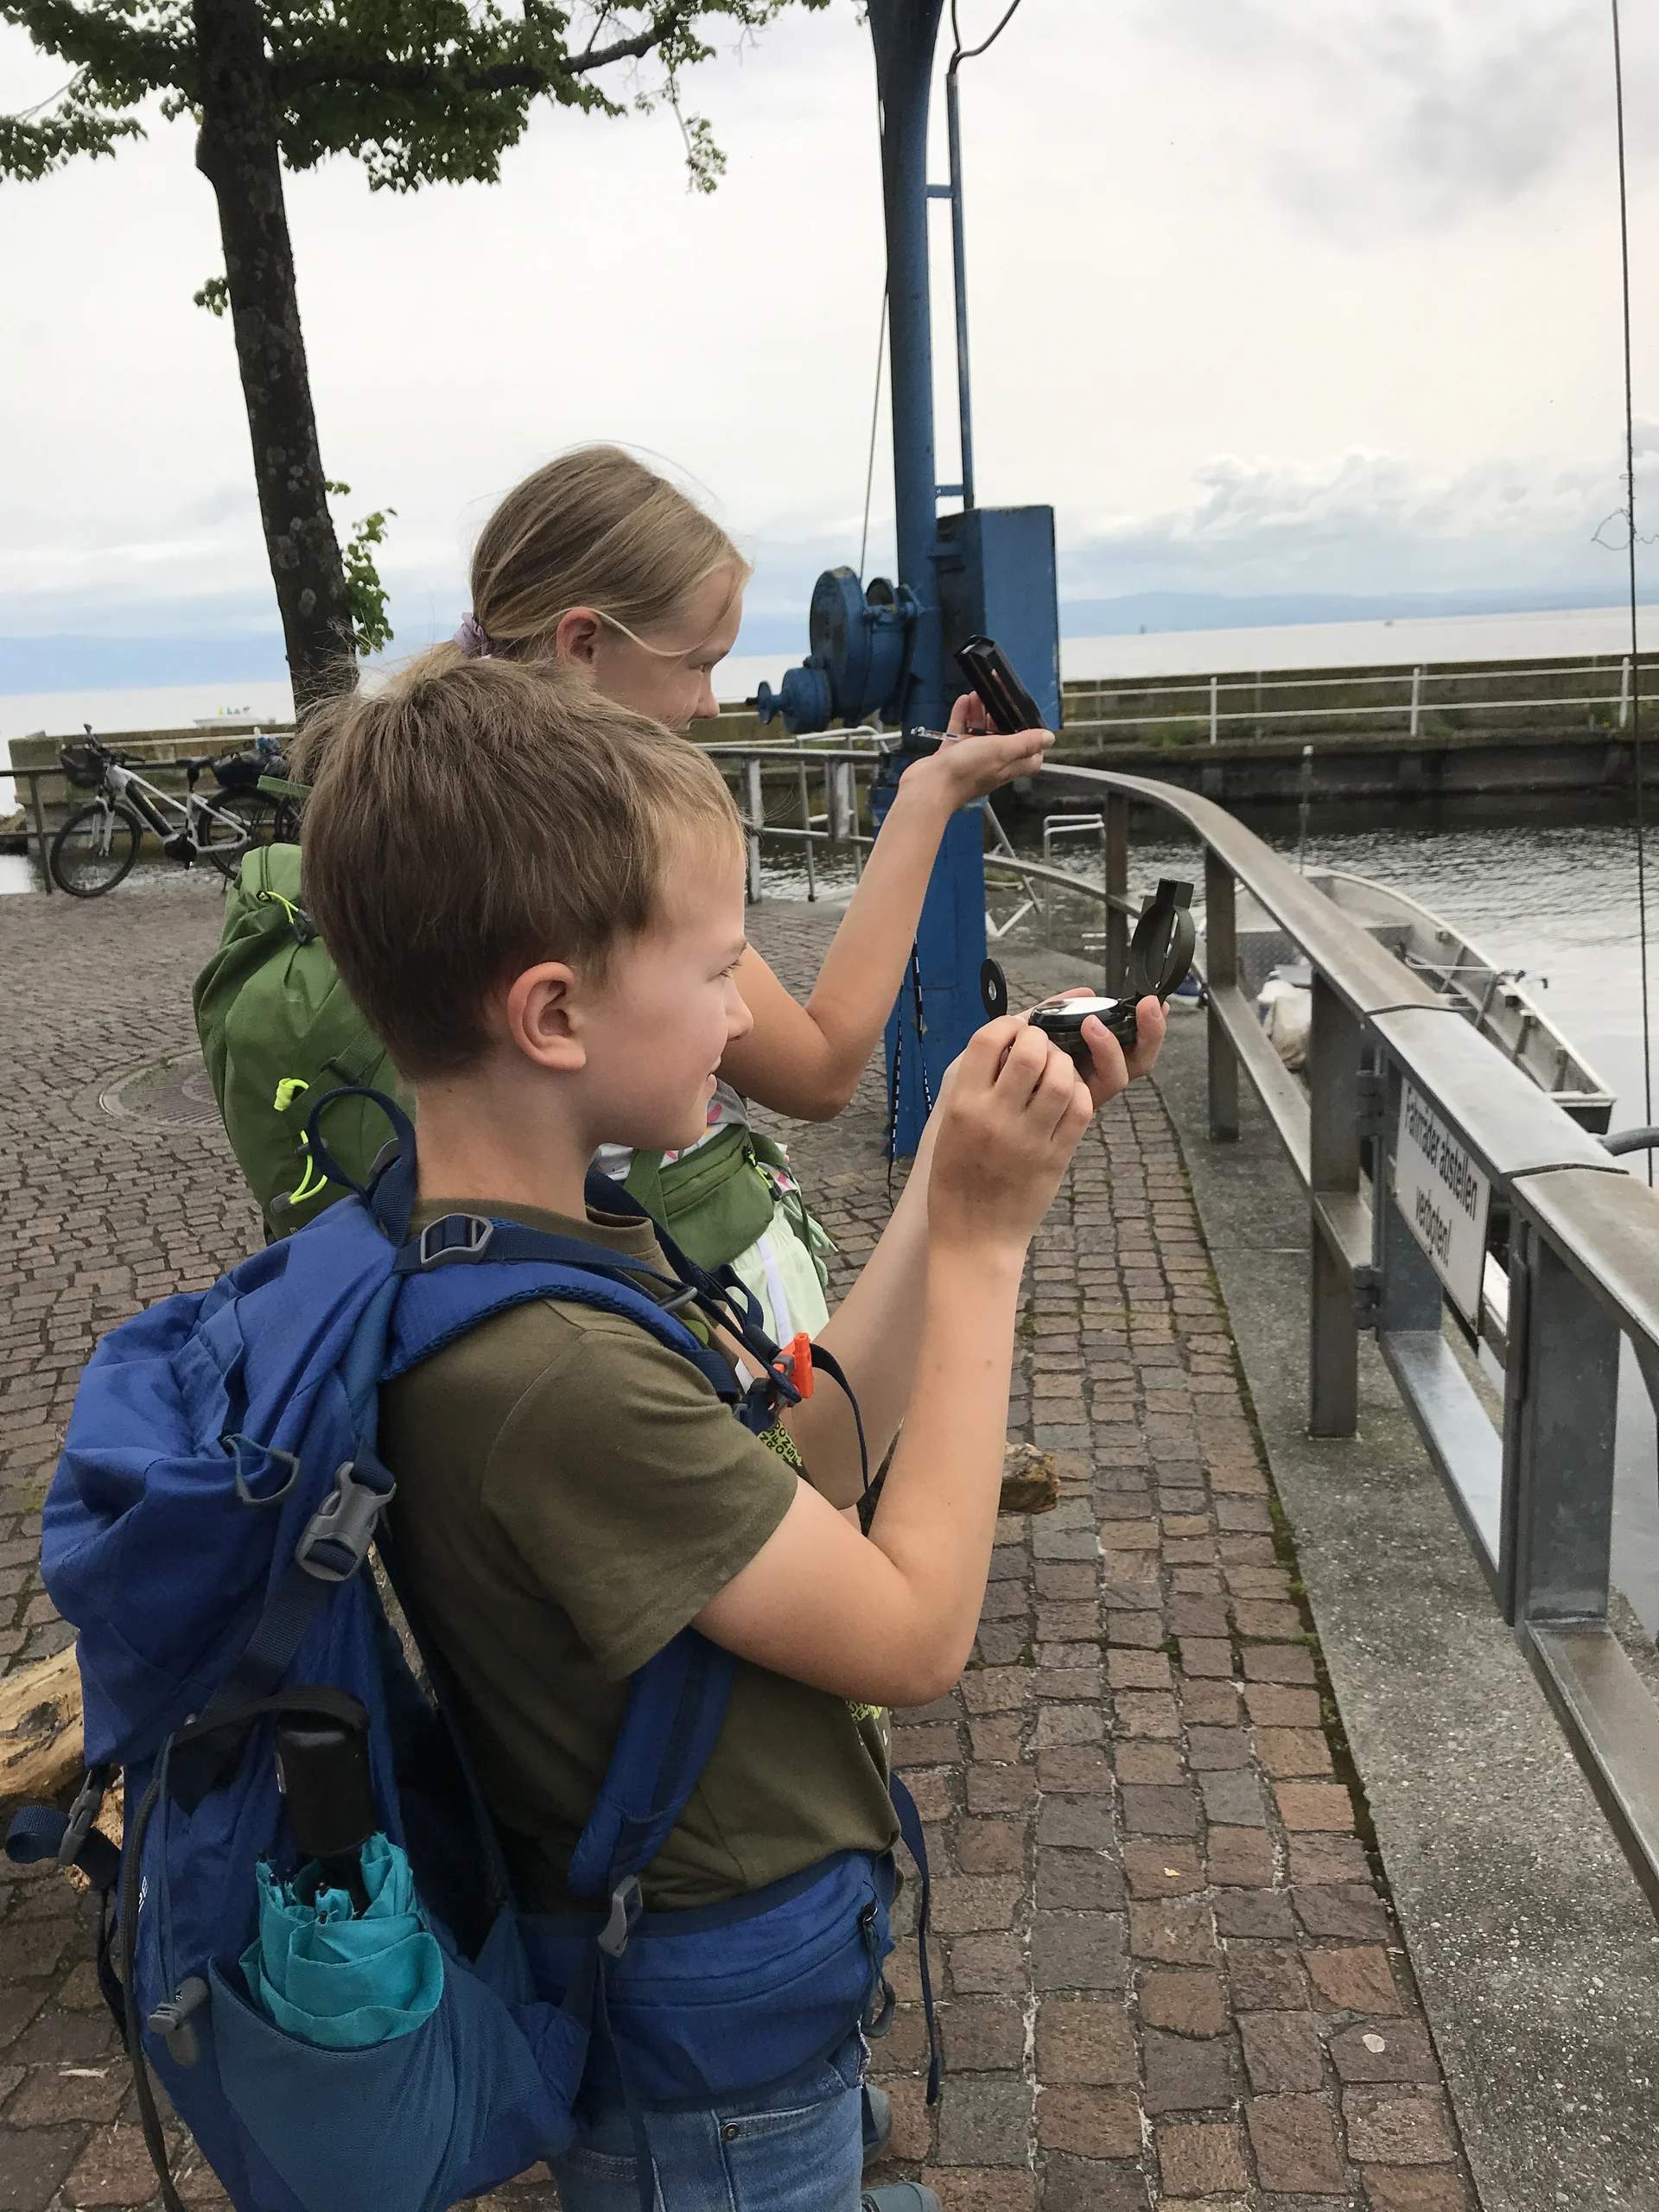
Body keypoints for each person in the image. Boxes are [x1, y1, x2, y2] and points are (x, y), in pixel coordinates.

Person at [297, 652, 1164, 2212]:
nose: (740, 1012)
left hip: (726, 1990)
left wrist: (951, 1170)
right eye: (714, 971)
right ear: (554, 1013)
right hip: (706, 2066)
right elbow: (909, 1633)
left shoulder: (522, 1241)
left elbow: (799, 1460)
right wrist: (982, 1243)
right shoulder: (546, 1368)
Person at [282, 444, 1053, 1337]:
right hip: (674, 1305)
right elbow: (820, 1066)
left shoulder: (427, 805)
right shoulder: (587, 839)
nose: (711, 703)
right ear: (582, 644)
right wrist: (930, 797)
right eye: (694, 662)